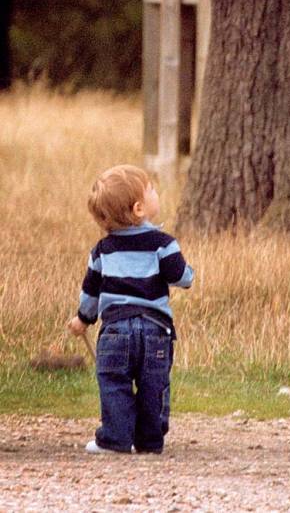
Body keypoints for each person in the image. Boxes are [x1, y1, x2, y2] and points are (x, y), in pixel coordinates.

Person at [68, 164, 194, 454]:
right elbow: (181, 277)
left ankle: (115, 439)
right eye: (151, 189)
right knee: (154, 384)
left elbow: (91, 293)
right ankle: (149, 441)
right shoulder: (164, 244)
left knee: (114, 382)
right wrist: (190, 274)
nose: (156, 192)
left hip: (115, 332)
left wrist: (82, 319)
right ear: (139, 208)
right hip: (155, 331)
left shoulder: (102, 250)